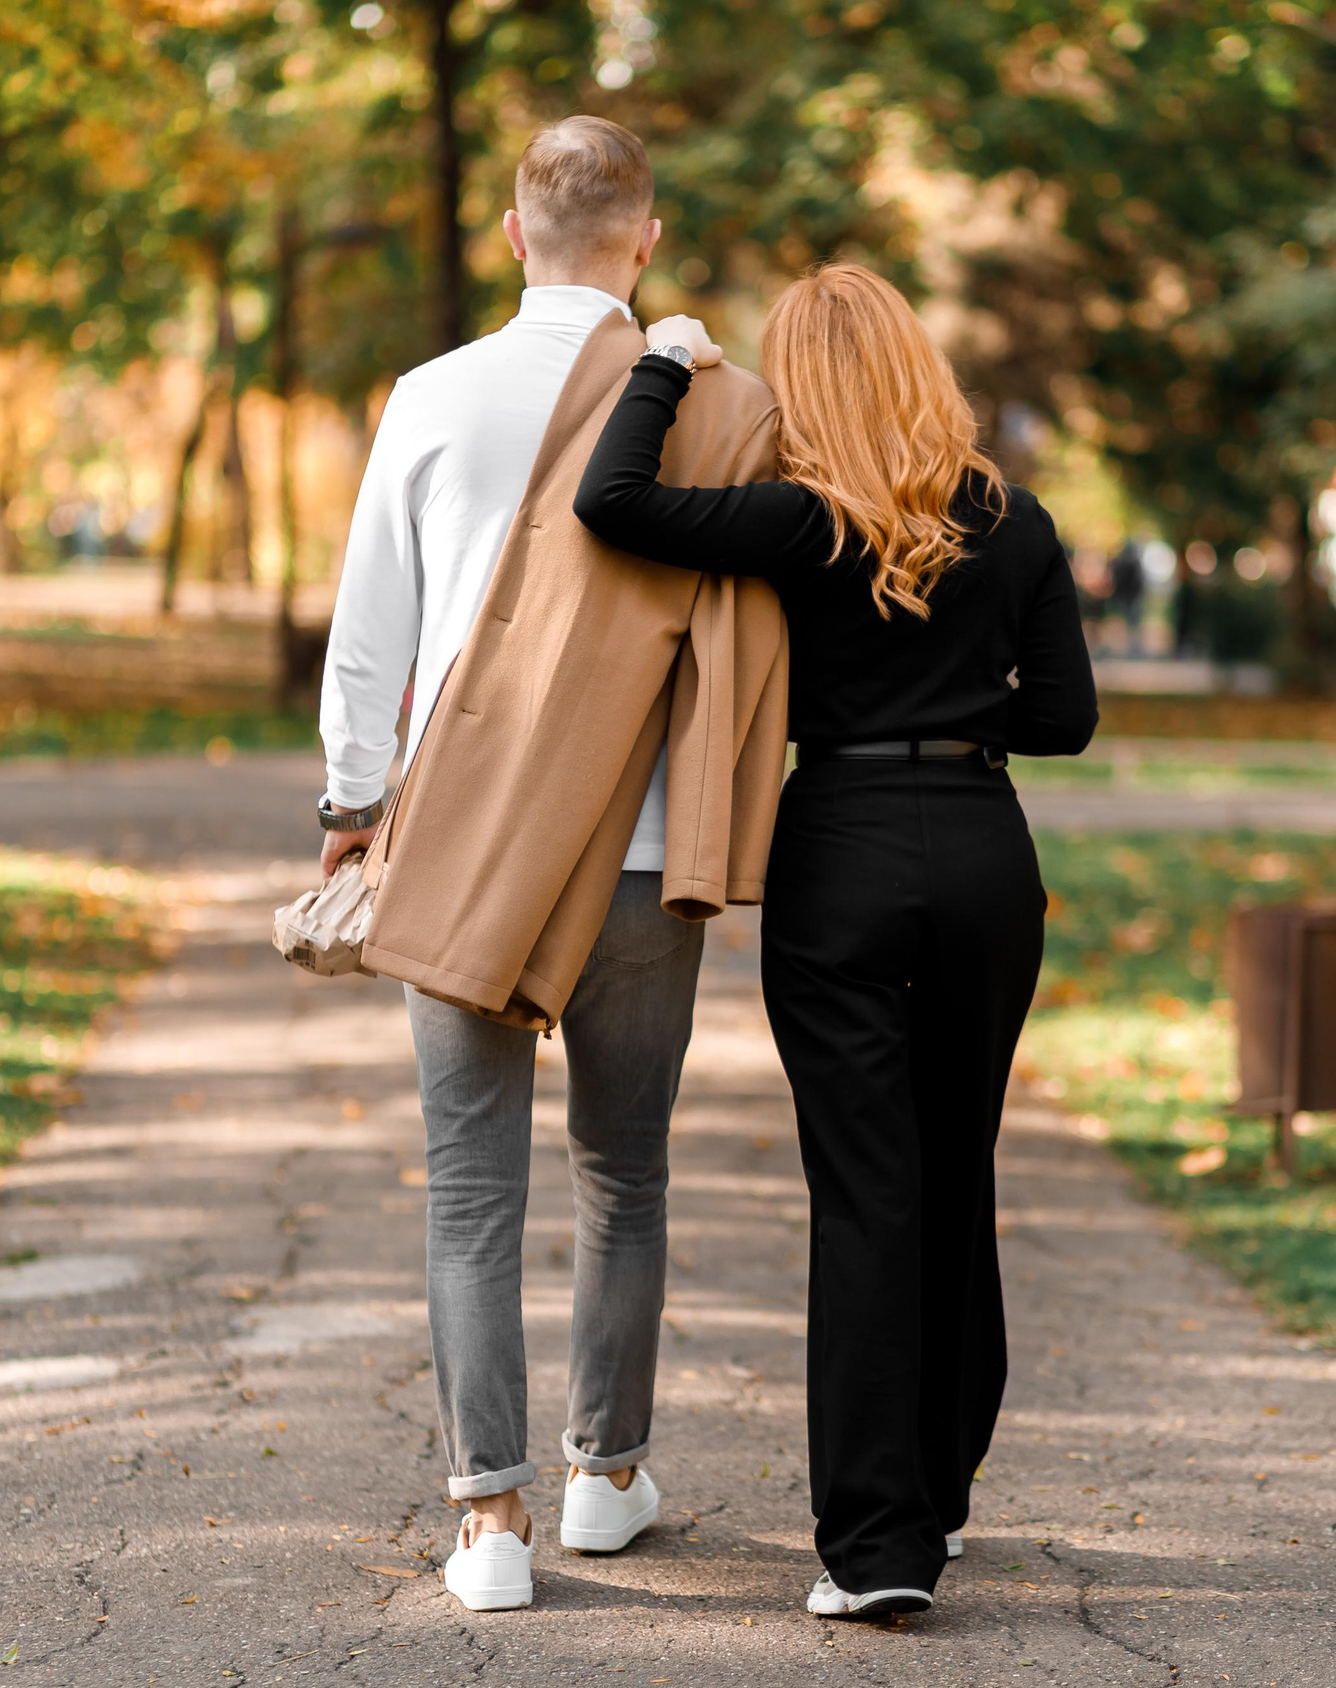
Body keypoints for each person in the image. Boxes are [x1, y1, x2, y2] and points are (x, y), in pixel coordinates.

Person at [572, 262, 1099, 1619]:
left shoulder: (800, 524)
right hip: (984, 847)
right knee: (954, 1168)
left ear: (801, 385)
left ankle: (876, 1550)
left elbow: (611, 500)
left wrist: (663, 362)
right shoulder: (1016, 520)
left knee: (868, 1188)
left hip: (844, 847)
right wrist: (964, 697)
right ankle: (941, 1493)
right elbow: (1066, 720)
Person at [313, 117, 776, 1615]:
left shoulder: (432, 397)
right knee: (623, 1170)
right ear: (645, 239)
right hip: (644, 851)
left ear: (515, 236)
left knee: (470, 1193)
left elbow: (370, 630)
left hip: (459, 840)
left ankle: (487, 1524)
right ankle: (606, 1475)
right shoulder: (716, 407)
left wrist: (351, 804)